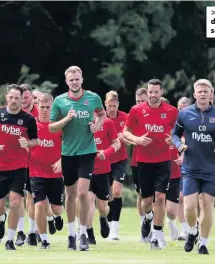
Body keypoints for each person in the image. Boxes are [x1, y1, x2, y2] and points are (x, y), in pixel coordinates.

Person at [172, 79, 215, 254]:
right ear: (194, 94)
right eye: (199, 91)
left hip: (210, 170)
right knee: (189, 207)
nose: (202, 94)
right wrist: (179, 145)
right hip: (190, 168)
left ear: (211, 95)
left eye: (205, 91)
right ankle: (193, 232)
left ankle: (203, 244)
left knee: (207, 207)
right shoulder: (184, 114)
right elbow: (175, 134)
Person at [49, 65, 106, 251]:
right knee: (70, 194)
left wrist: (97, 125)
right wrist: (66, 119)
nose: (74, 82)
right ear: (67, 82)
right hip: (68, 153)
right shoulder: (60, 101)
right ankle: (71, 234)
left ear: (82, 79)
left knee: (83, 193)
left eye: (77, 79)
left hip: (87, 152)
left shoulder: (93, 97)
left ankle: (83, 234)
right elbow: (52, 128)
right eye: (71, 79)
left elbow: (102, 115)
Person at [123, 79, 179, 250]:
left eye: (156, 92)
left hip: (163, 160)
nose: (153, 95)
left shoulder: (171, 111)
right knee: (147, 201)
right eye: (150, 92)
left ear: (161, 92)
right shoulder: (136, 110)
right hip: (143, 161)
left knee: (160, 197)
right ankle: (148, 217)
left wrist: (173, 141)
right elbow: (126, 131)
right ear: (146, 92)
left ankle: (157, 235)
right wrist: (137, 139)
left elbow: (179, 134)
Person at [0, 84, 38, 250]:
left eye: (17, 98)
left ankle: (10, 240)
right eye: (11, 97)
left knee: (15, 202)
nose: (14, 101)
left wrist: (27, 143)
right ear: (6, 97)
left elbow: (35, 141)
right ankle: (1, 220)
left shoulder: (28, 119)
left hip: (19, 167)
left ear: (22, 100)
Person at [28, 93, 64, 249]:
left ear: (52, 108)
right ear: (37, 107)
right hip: (36, 173)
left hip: (56, 173)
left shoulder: (58, 126)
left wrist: (62, 161)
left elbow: (70, 145)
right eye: (41, 107)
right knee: (39, 204)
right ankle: (44, 240)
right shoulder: (31, 125)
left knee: (56, 208)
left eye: (47, 107)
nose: (44, 110)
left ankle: (56, 217)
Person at [87, 114, 121, 244]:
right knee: (87, 200)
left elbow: (117, 143)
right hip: (85, 169)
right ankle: (89, 233)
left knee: (103, 206)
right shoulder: (79, 123)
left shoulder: (107, 123)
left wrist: (105, 153)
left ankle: (103, 217)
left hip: (102, 171)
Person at [104, 90, 131, 240]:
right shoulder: (100, 118)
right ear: (105, 104)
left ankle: (115, 227)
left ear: (118, 104)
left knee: (117, 191)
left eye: (114, 105)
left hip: (120, 159)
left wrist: (123, 138)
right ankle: (107, 224)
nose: (112, 108)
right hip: (104, 160)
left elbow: (130, 141)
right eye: (109, 105)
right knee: (107, 195)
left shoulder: (125, 118)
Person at [15, 83, 38, 246]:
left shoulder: (39, 113)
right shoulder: (13, 113)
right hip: (16, 161)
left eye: (26, 97)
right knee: (17, 198)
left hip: (35, 162)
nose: (23, 101)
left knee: (31, 197)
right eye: (20, 98)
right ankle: (21, 231)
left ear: (32, 98)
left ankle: (32, 231)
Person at [126, 87, 148, 242]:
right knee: (141, 195)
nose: (140, 104)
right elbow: (124, 136)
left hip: (157, 160)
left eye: (143, 101)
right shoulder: (133, 114)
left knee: (156, 196)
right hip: (137, 161)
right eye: (138, 101)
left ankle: (155, 226)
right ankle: (144, 227)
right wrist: (136, 140)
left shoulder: (155, 114)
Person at [160, 97, 183, 242]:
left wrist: (183, 156)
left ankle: (170, 222)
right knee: (158, 201)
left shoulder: (177, 128)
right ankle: (158, 232)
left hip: (174, 172)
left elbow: (186, 143)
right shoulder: (151, 127)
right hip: (157, 171)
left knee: (171, 212)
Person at [175, 96, 191, 241]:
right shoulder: (176, 125)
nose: (182, 112)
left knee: (193, 199)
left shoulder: (195, 122)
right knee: (180, 197)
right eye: (180, 109)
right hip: (179, 165)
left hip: (194, 165)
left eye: (185, 109)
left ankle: (195, 226)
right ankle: (184, 229)